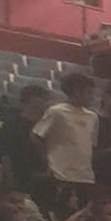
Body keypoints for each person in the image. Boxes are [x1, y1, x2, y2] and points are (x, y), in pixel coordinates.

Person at [31, 75, 99, 212]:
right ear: (76, 91)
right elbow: (36, 135)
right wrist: (47, 161)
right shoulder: (57, 111)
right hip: (61, 173)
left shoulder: (93, 117)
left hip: (85, 175)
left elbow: (91, 145)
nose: (92, 97)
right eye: (88, 92)